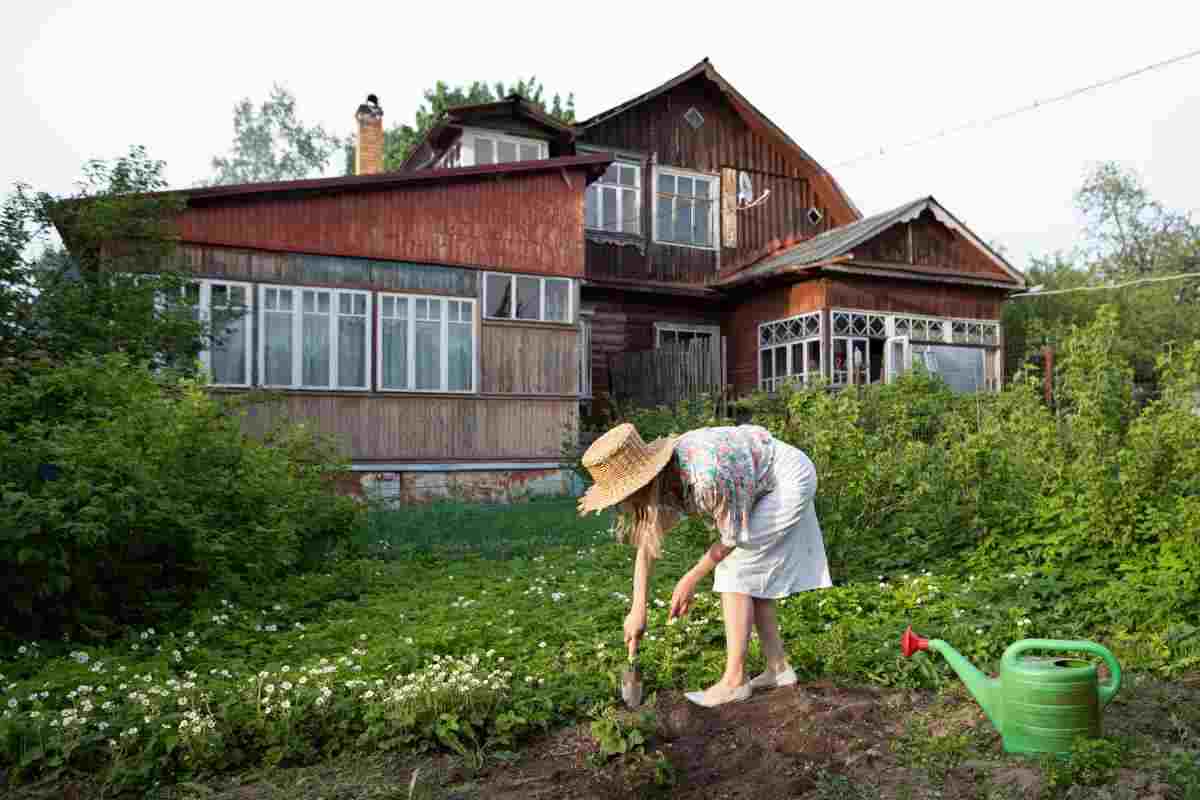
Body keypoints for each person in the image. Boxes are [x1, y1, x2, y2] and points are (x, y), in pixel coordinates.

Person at [578, 422, 832, 707]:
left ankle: (734, 682)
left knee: (734, 572)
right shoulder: (664, 479)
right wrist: (638, 609)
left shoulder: (705, 475)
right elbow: (647, 542)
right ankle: (778, 669)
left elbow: (733, 537)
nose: (623, 503)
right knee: (753, 575)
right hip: (762, 478)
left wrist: (690, 578)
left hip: (786, 480)